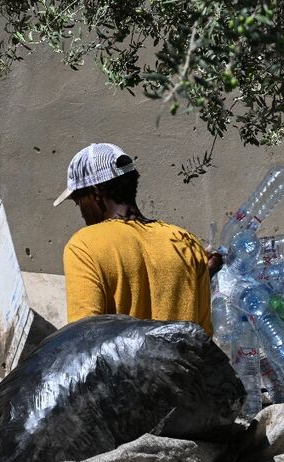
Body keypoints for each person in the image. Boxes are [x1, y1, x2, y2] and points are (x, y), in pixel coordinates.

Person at [53, 143, 217, 336]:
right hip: (184, 367)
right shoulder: (185, 242)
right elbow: (203, 336)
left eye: (79, 201)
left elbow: (84, 338)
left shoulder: (83, 246)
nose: (81, 210)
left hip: (121, 368)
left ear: (96, 194)